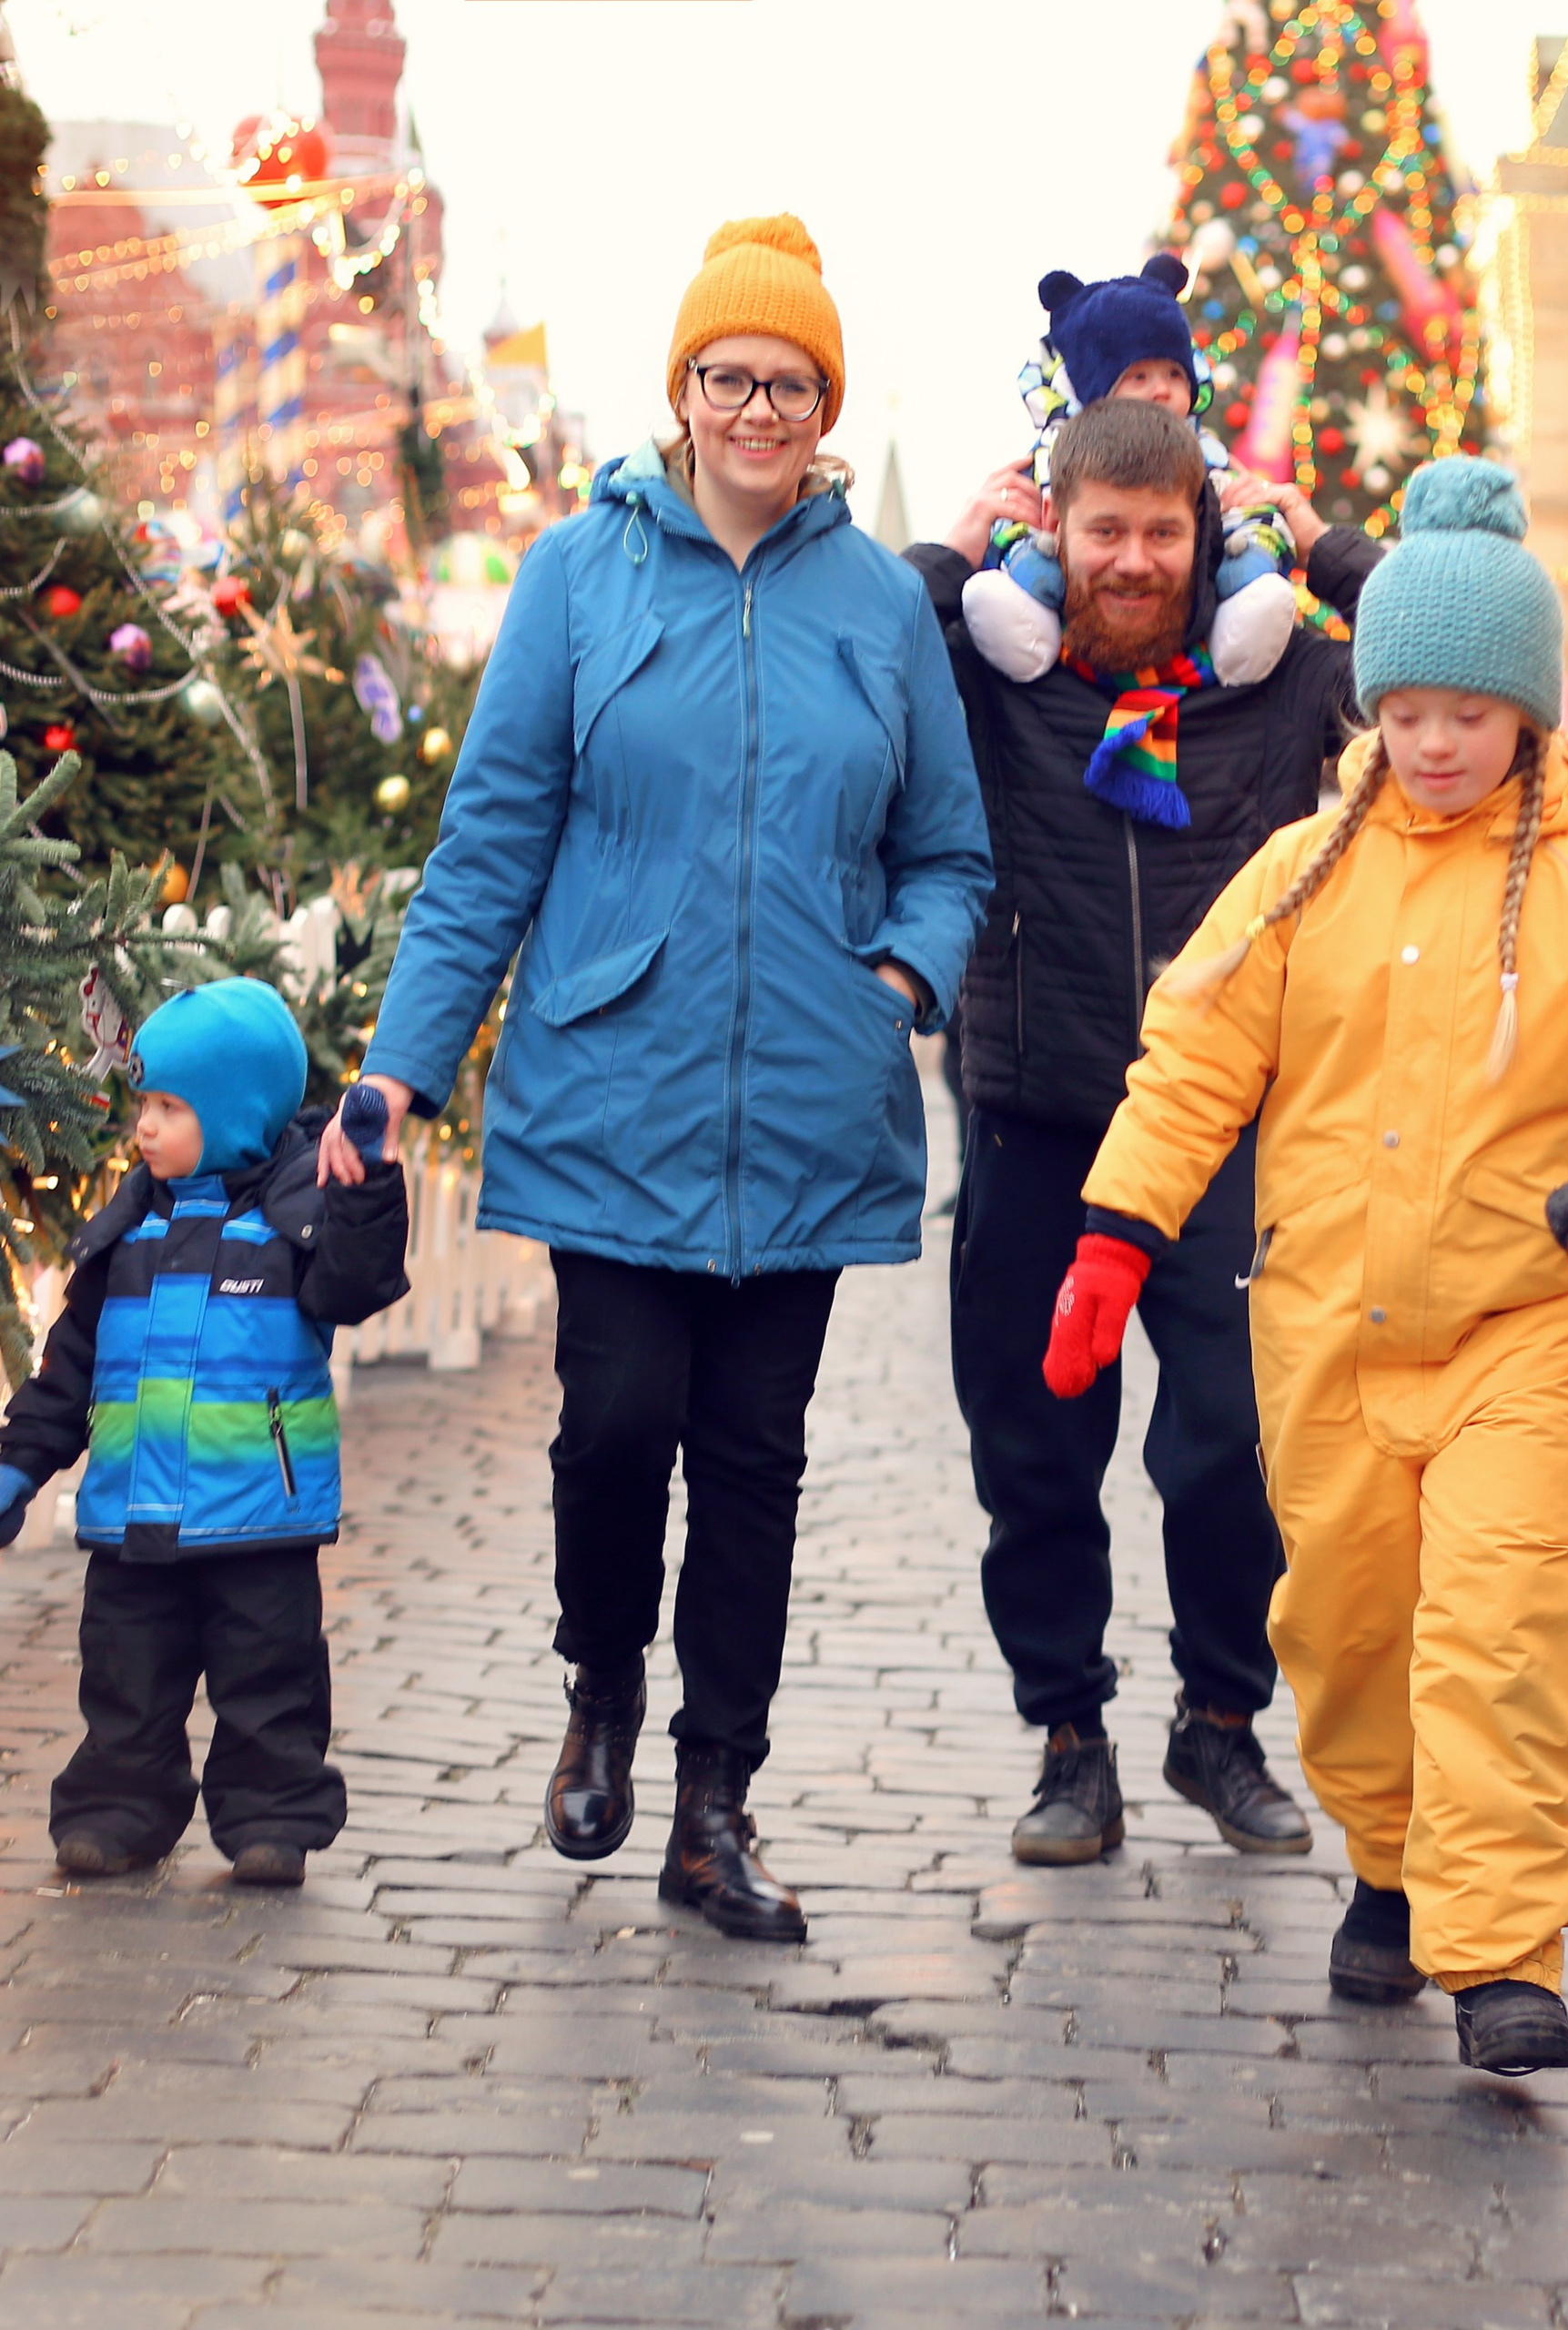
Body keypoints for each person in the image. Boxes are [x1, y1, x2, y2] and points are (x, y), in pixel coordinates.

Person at [1042, 458, 1568, 2072]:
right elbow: (1191, 1063)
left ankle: (1505, 1952)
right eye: (1409, 711)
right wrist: (1116, 1233)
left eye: (1471, 710)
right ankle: (1387, 1864)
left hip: (1532, 1329)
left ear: (1526, 711)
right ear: (1369, 709)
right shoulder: (1302, 877)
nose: (1438, 744)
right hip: (1328, 1333)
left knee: (1502, 1635)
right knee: (1353, 1631)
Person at [334, 216, 992, 1943]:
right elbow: (490, 843)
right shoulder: (579, 575)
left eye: (789, 382)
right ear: (683, 390)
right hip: (611, 1082)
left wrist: (902, 977)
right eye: (728, 376)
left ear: (824, 403)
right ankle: (601, 1684)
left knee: (755, 1462)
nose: (756, 408)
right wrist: (402, 1072)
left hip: (810, 1102)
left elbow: (949, 851)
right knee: (618, 1428)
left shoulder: (875, 603)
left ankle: (715, 1807)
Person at [909, 396, 1381, 1868]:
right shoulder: (995, 677)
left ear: (1204, 535)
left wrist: (1333, 550)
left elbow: (1462, 678)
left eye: (1160, 532)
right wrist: (951, 552)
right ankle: (1069, 1742)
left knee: (1240, 1435)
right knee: (1035, 1450)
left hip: (1231, 1128)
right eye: (1100, 529)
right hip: (1033, 1116)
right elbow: (872, 653)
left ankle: (1220, 1727)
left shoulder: (1286, 677)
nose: (1130, 559)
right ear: (1053, 530)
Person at [0, 980, 410, 1889]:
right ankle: (118, 1808)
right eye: (142, 1103)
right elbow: (66, 1373)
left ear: (234, 1116)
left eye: (168, 1107)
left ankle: (271, 1817)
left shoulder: (293, 1221)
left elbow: (357, 1286)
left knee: (270, 1682)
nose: (142, 1125)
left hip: (258, 1518)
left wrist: (371, 1188)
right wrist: (17, 1466)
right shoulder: (125, 1234)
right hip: (129, 1522)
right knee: (123, 1679)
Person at [958, 254, 1300, 688]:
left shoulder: (1211, 456)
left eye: (1173, 375)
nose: (1134, 563)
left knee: (1252, 534)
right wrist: (952, 557)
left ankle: (1245, 609)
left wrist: (1320, 546)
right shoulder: (983, 692)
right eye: (1138, 377)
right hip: (1047, 655)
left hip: (1216, 660)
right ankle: (1024, 613)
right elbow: (889, 646)